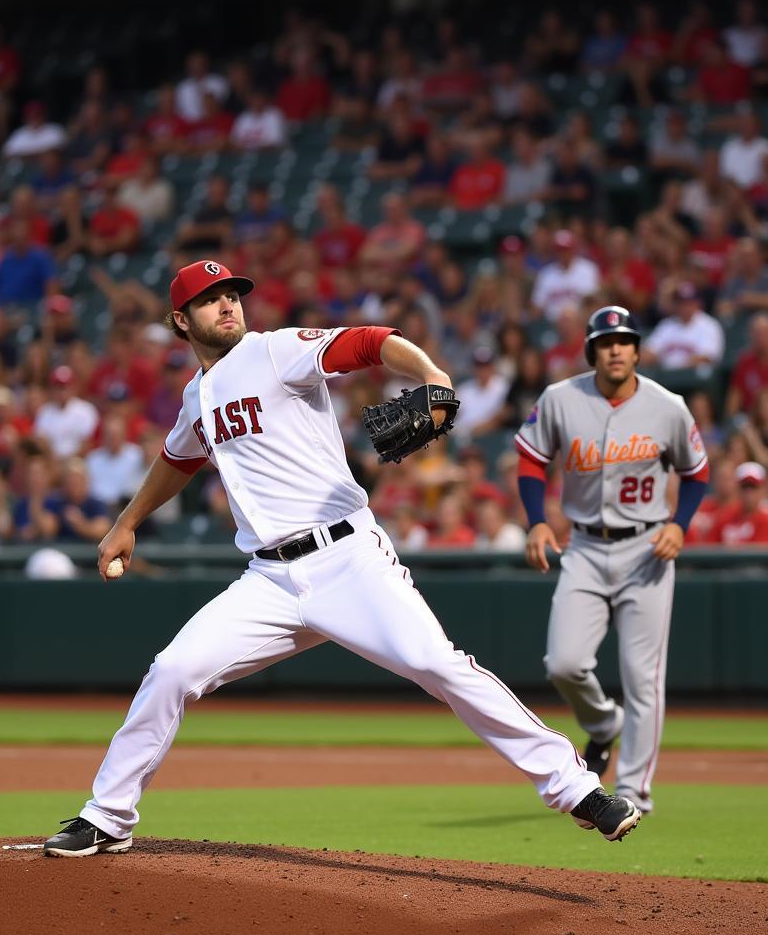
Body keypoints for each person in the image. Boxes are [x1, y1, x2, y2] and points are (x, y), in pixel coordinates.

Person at [43, 260, 640, 857]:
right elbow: (178, 458)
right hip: (270, 580)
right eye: (209, 299)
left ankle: (577, 788)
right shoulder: (196, 396)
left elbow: (369, 342)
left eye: (232, 295)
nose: (227, 305)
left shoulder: (274, 351)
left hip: (348, 558)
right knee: (171, 671)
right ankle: (107, 816)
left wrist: (432, 372)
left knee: (437, 664)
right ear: (181, 319)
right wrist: (126, 523)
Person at [515, 305, 709, 815]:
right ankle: (603, 722)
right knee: (564, 663)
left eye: (624, 341)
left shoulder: (668, 406)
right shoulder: (560, 398)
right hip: (583, 547)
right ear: (592, 351)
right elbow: (531, 461)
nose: (616, 349)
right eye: (606, 342)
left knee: (643, 677)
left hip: (646, 549)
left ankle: (634, 791)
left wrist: (678, 524)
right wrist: (537, 519)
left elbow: (697, 473)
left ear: (638, 350)